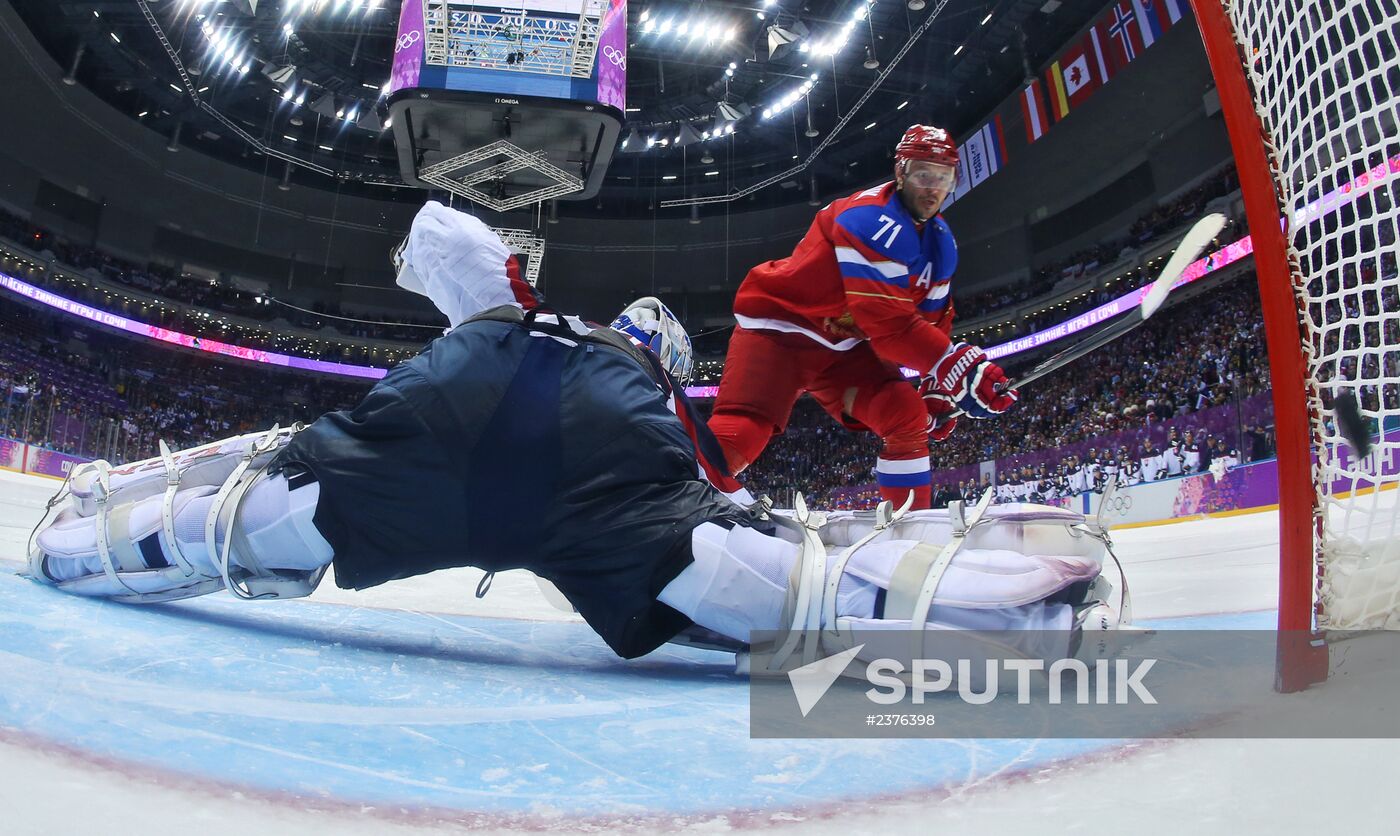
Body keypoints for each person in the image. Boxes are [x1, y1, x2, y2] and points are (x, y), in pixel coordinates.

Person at [26, 201, 1121, 669]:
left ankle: (81, 541)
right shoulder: (649, 383)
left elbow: (440, 238)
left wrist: (456, 274)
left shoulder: (531, 310)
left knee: (275, 509)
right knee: (739, 564)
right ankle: (992, 598)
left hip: (465, 396)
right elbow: (717, 490)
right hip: (606, 473)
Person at [708, 125, 1018, 512]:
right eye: (923, 174)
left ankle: (909, 534)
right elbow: (888, 327)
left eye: (944, 177)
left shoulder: (940, 245)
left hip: (843, 349)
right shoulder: (869, 218)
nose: (933, 188)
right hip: (782, 331)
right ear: (901, 171)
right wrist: (961, 371)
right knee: (743, 428)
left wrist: (937, 387)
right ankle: (672, 499)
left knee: (908, 413)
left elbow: (934, 323)